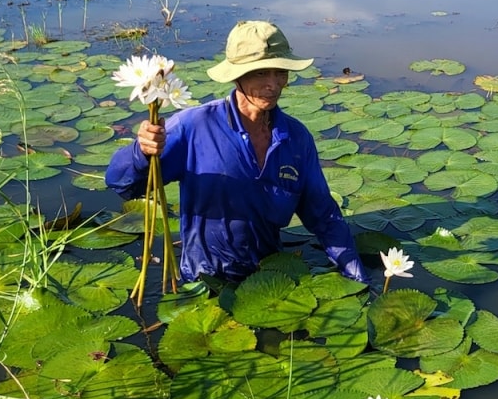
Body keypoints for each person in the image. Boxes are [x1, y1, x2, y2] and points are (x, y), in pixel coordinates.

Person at [105, 20, 368, 285]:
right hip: (203, 279)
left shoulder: (296, 139)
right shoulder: (194, 127)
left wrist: (357, 278)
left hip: (270, 278)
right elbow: (120, 183)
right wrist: (141, 151)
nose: (274, 84)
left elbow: (324, 216)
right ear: (237, 76)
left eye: (280, 72)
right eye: (261, 73)